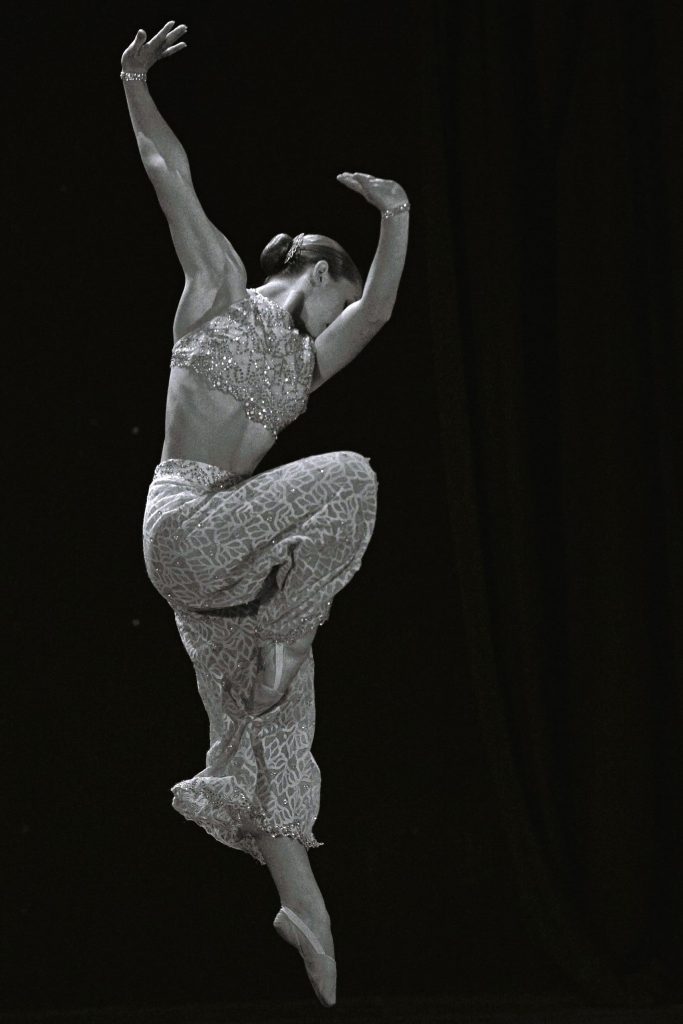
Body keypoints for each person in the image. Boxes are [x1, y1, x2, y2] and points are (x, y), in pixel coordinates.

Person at [121, 20, 409, 1008]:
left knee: (281, 728)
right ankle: (285, 634)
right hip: (185, 521)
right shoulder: (219, 293)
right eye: (339, 294)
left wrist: (398, 217)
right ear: (315, 275)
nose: (341, 320)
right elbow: (169, 172)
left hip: (222, 574)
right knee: (352, 479)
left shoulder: (300, 361)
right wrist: (132, 82)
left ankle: (308, 917)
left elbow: (376, 315)